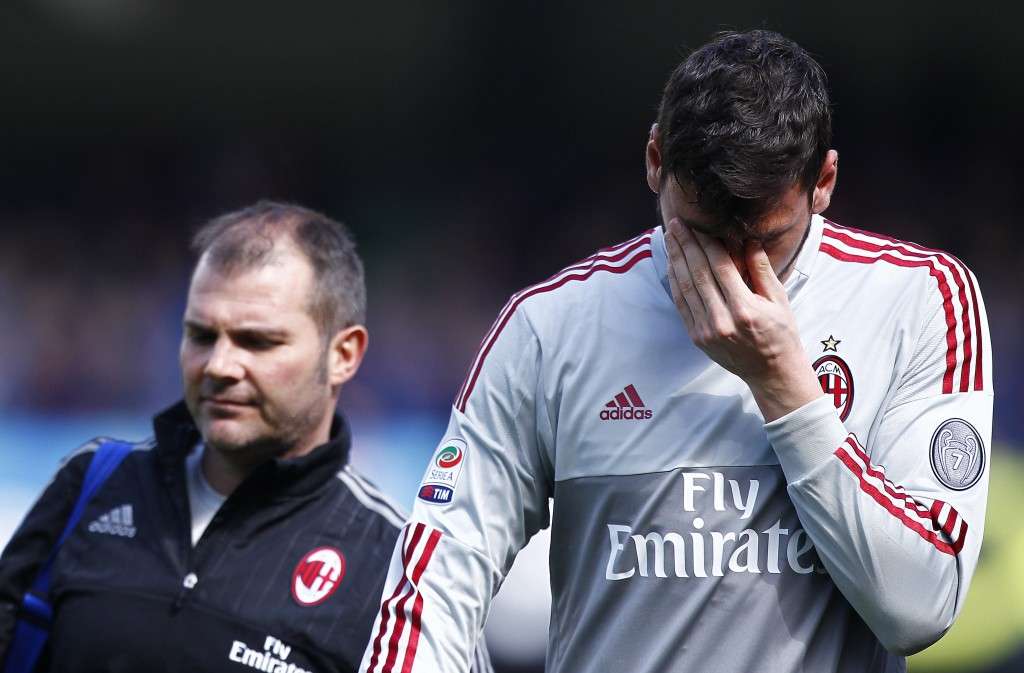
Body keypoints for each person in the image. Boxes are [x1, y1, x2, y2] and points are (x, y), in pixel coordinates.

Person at [359, 30, 992, 673]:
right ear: (656, 160)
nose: (729, 273)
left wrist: (784, 387)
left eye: (767, 242)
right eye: (702, 234)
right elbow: (440, 570)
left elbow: (921, 609)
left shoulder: (919, 301)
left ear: (823, 182)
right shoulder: (552, 327)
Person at [0, 201, 493, 673]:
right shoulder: (94, 485)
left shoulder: (397, 572)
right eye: (201, 335)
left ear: (344, 355)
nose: (219, 365)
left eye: (257, 342)